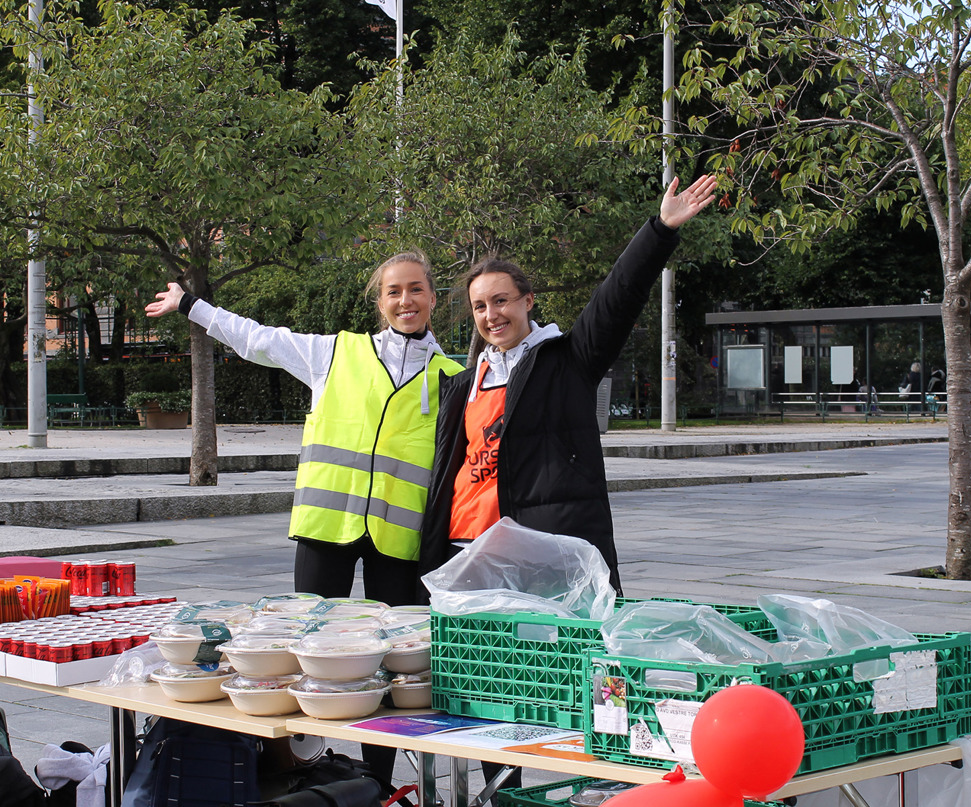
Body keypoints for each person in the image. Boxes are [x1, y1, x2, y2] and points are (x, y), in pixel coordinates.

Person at [145, 251, 463, 785]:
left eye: (415, 290)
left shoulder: (453, 376)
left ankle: (378, 780)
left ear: (433, 297)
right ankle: (298, 770)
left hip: (399, 537)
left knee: (397, 663)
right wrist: (191, 306)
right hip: (326, 527)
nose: (405, 300)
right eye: (393, 291)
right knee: (302, 649)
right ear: (378, 300)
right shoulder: (335, 353)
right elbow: (257, 339)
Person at [418, 174, 718, 594]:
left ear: (528, 300)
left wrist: (660, 229)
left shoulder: (569, 361)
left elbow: (618, 297)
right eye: (480, 306)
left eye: (501, 300)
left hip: (537, 552)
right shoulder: (463, 384)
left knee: (548, 658)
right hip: (465, 549)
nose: (492, 315)